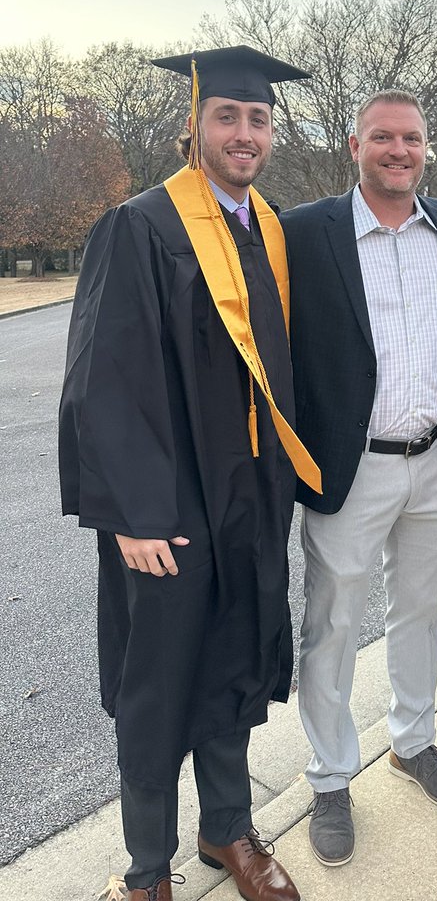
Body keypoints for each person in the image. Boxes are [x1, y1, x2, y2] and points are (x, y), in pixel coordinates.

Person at [59, 46, 320, 901]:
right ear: (194, 124)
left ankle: (227, 831)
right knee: (160, 685)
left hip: (249, 499)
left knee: (235, 662)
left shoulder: (268, 229)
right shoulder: (141, 227)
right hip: (168, 510)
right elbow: (103, 378)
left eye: (258, 119)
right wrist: (131, 515)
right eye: (227, 116)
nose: (244, 134)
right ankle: (146, 873)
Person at [280, 89, 437, 868]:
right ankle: (330, 776)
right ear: (354, 145)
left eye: (413, 139)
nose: (400, 151)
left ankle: (412, 741)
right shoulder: (305, 231)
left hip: (434, 457)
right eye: (384, 138)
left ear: (427, 147)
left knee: (420, 610)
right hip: (350, 465)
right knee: (332, 622)